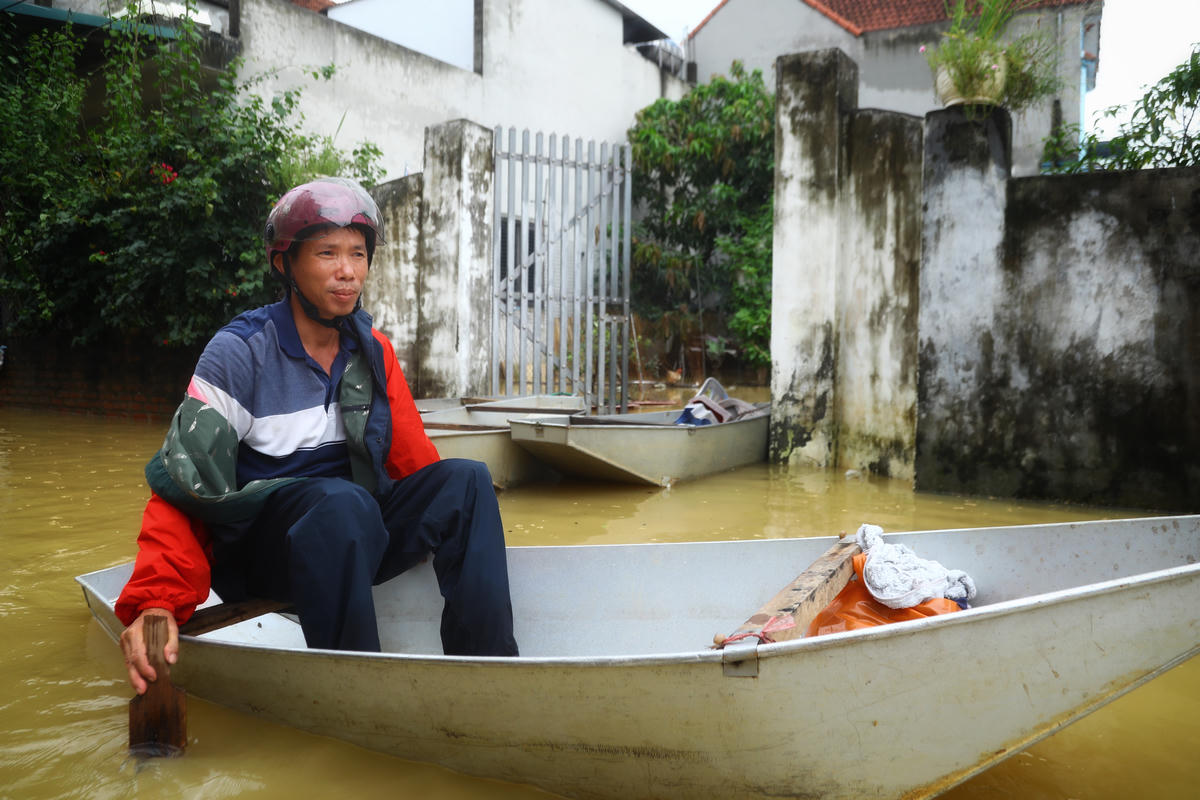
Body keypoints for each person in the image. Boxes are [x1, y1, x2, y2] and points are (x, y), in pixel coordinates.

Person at [117, 177, 518, 694]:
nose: (347, 271)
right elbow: (184, 486)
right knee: (342, 503)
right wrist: (156, 599)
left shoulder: (371, 351)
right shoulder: (239, 353)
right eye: (327, 253)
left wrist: (437, 522)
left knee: (465, 482)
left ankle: (490, 675)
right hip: (266, 554)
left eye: (357, 253)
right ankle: (356, 691)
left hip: (354, 535)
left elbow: (414, 462)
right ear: (285, 264)